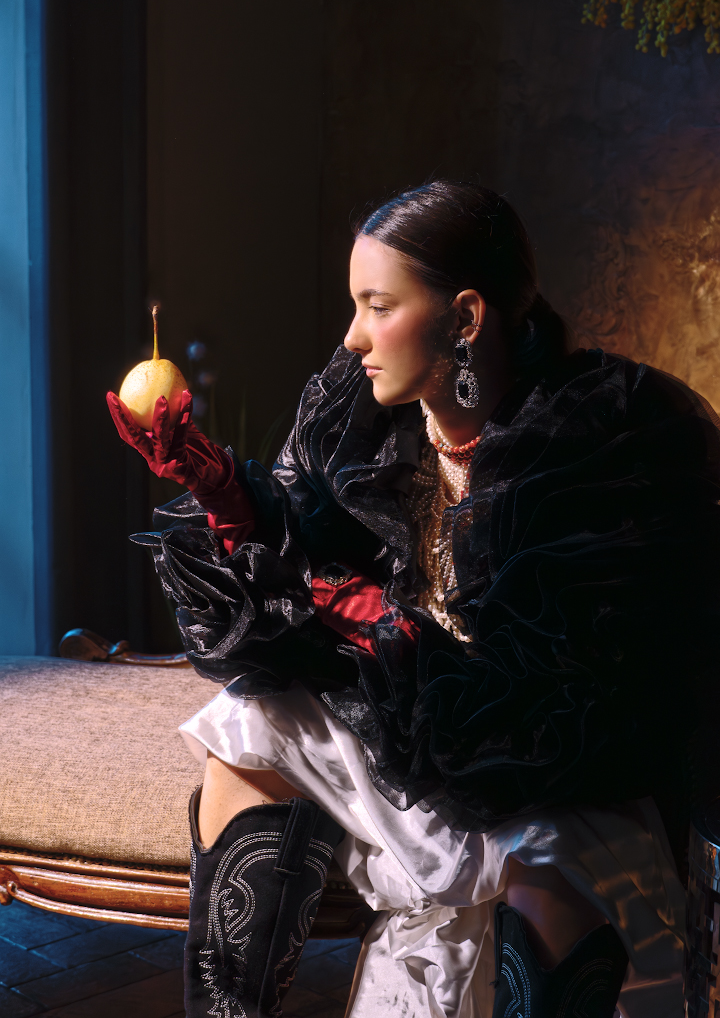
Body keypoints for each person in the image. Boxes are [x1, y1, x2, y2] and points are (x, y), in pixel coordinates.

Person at [108, 181, 720, 1018]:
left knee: (553, 860)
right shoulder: (359, 415)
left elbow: (567, 706)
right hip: (413, 739)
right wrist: (220, 490)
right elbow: (304, 549)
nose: (353, 336)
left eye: (378, 305)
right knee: (245, 720)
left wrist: (378, 623)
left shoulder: (595, 447)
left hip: (542, 764)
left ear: (465, 318)